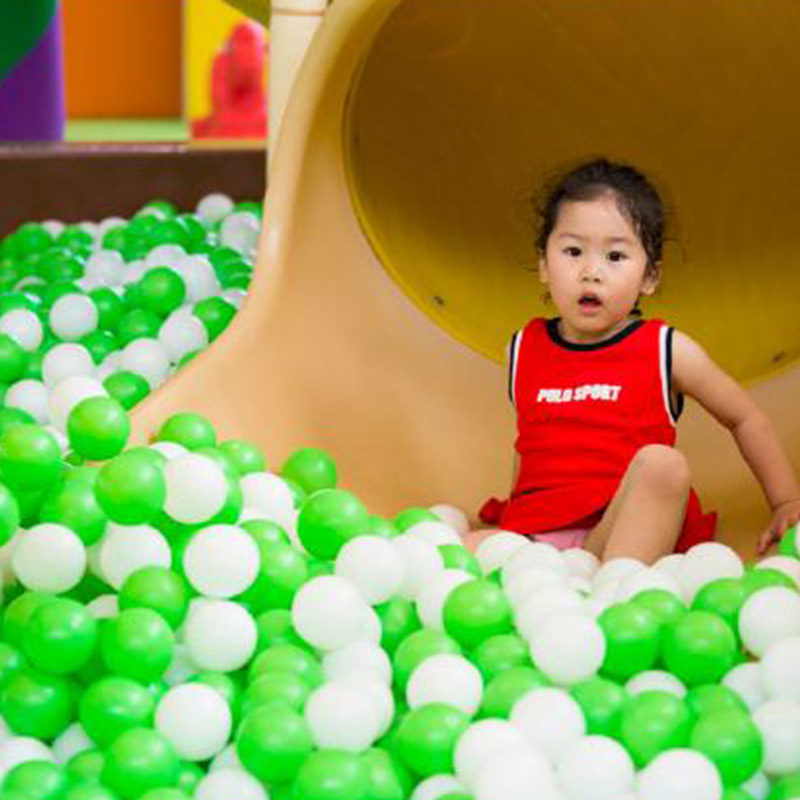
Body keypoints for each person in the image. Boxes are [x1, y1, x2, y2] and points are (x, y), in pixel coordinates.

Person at [468, 158, 800, 563]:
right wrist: (515, 519)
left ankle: (617, 584)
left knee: (663, 465)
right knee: (452, 547)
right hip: (538, 539)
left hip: (621, 534)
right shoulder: (522, 349)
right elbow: (531, 443)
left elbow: (744, 418)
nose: (591, 272)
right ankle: (564, 581)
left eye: (615, 256)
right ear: (543, 264)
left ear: (649, 277)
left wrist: (785, 501)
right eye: (573, 251)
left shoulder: (666, 349)